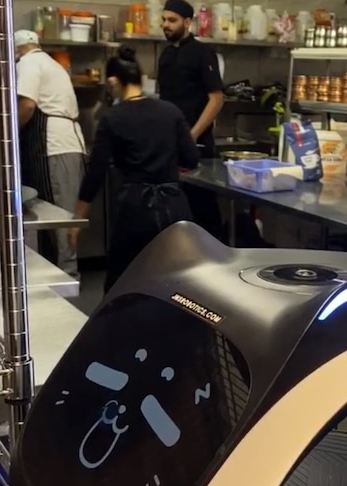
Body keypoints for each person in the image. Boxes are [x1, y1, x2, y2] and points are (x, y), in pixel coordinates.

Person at [69, 46, 200, 295]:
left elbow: (95, 172)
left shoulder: (113, 117)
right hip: (175, 209)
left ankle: (122, 330)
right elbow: (191, 158)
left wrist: (77, 221)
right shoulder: (170, 111)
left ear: (114, 81)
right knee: (179, 279)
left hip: (135, 210)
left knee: (123, 281)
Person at [14, 29, 86, 278]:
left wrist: (8, 134)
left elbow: (27, 104)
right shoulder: (51, 64)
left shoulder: (28, 63)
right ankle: (64, 274)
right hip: (67, 144)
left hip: (52, 146)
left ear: (16, 49)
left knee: (55, 218)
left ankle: (66, 278)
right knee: (62, 216)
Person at [158, 0, 225, 238]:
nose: (166, 25)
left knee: (203, 211)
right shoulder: (165, 55)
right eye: (164, 19)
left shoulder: (202, 53)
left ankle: (217, 266)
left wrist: (190, 135)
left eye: (172, 20)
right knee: (176, 214)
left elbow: (216, 99)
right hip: (170, 148)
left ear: (187, 22)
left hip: (197, 147)